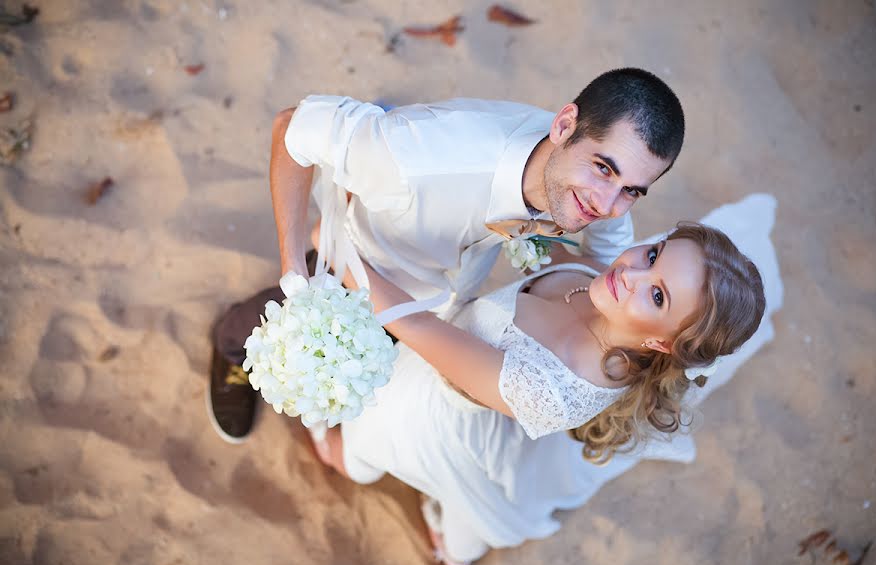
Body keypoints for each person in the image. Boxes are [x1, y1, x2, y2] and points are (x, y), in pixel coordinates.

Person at [207, 68, 686, 443]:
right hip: (361, 256)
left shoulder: (584, 187)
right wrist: (293, 267)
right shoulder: (419, 162)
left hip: (444, 286)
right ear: (564, 125)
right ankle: (229, 348)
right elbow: (292, 126)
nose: (605, 206)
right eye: (603, 169)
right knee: (268, 316)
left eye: (632, 191)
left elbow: (611, 247)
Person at [306, 214, 770, 565]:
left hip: (435, 409)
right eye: (654, 253)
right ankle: (457, 552)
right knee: (472, 497)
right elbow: (572, 227)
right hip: (477, 400)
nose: (631, 272)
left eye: (657, 296)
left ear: (662, 345)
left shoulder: (549, 387)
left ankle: (449, 553)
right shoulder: (605, 277)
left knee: (359, 443)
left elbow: (416, 326)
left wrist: (343, 255)